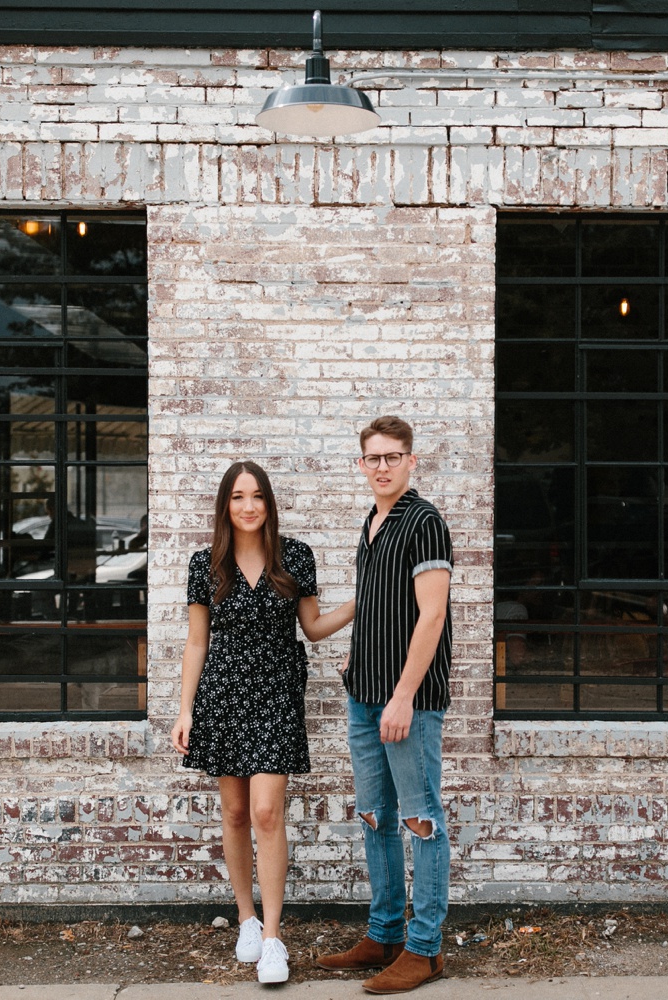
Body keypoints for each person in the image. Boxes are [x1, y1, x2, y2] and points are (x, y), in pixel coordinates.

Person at [171, 460, 354, 985]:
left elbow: (313, 628)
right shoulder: (204, 564)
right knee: (233, 812)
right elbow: (196, 642)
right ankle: (246, 919)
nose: (248, 506)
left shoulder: (295, 556)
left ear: (269, 505)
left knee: (267, 811)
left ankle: (273, 937)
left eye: (257, 497)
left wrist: (362, 602)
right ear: (225, 506)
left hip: (275, 695)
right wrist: (184, 710)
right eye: (237, 497)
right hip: (223, 697)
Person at [317, 415, 453, 995]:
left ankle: (424, 950)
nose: (382, 466)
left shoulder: (424, 522)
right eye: (372, 458)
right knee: (374, 816)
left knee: (421, 821)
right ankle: (384, 934)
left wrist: (401, 694)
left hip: (409, 703)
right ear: (360, 464)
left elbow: (432, 614)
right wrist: (355, 656)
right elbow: (379, 601)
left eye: (392, 456)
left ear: (411, 460)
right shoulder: (372, 522)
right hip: (364, 696)